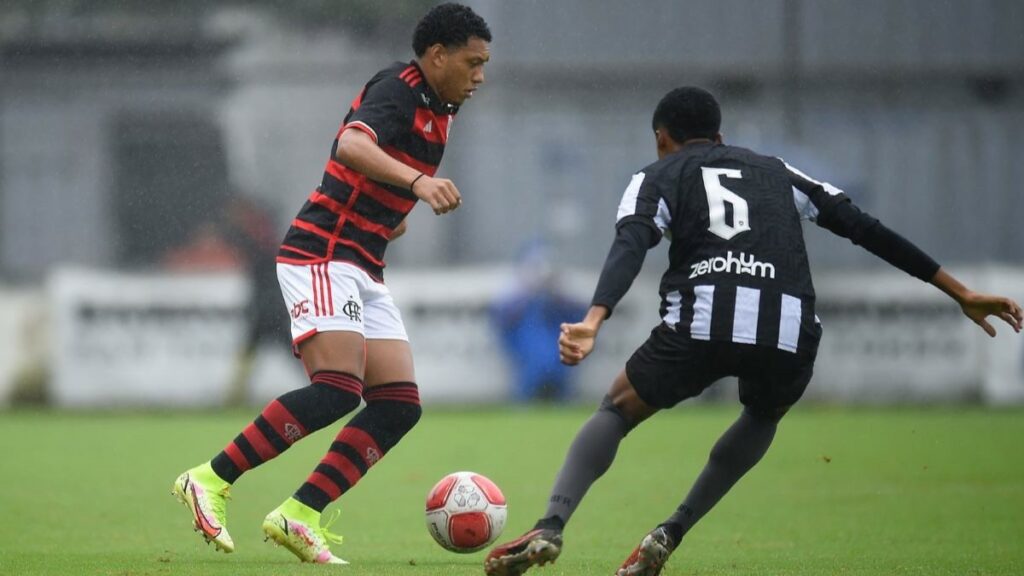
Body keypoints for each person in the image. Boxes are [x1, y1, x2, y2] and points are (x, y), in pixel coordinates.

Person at [483, 87, 1023, 576]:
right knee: (763, 413)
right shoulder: (778, 171)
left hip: (702, 319)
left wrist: (594, 318)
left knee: (618, 409)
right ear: (720, 137)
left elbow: (632, 241)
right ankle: (670, 532)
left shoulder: (655, 175)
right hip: (787, 328)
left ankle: (551, 525)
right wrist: (959, 291)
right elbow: (864, 227)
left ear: (661, 139)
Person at [171, 3, 491, 564]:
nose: (480, 76)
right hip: (322, 254)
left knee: (398, 405)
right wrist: (417, 182)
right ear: (437, 56)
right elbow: (351, 144)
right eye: (472, 62)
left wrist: (393, 210)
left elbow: (372, 178)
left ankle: (299, 514)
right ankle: (210, 479)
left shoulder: (441, 112)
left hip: (363, 262)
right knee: (337, 388)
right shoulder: (399, 87)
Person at [490, 240, 587, 402]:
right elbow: (500, 321)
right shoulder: (515, 301)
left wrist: (556, 295)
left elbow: (583, 319)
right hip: (529, 372)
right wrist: (528, 293)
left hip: (560, 371)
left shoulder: (562, 304)